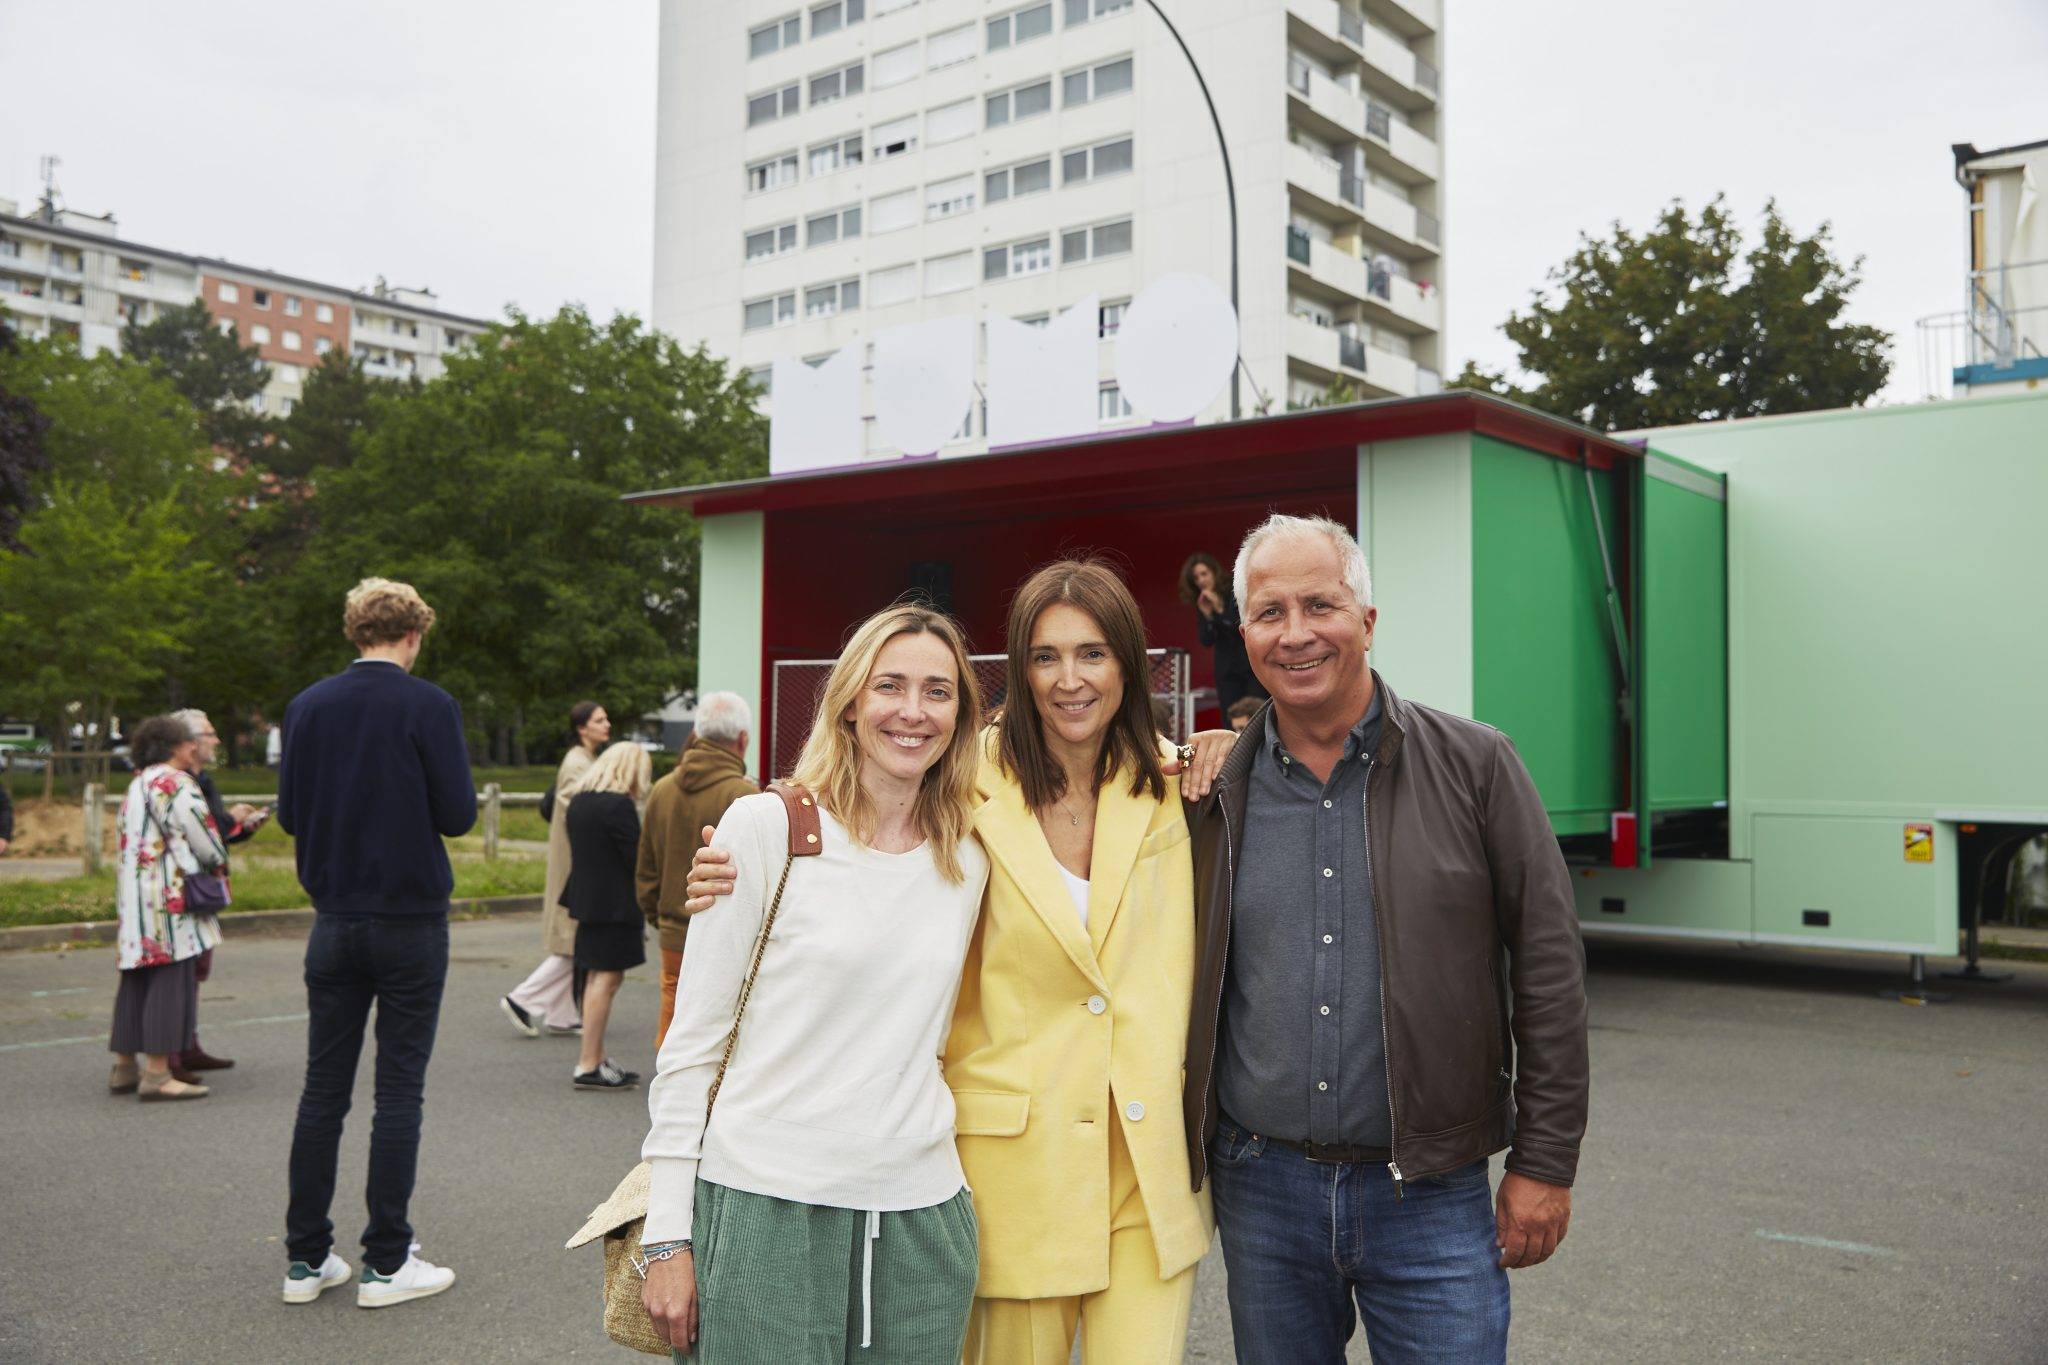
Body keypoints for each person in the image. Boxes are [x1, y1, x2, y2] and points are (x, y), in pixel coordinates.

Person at [685, 562, 1239, 1363]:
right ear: (1018, 668)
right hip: (1014, 1169)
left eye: (1093, 654)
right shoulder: (962, 777)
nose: (1069, 679)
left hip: (1148, 1177)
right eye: (1046, 656)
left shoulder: (1177, 781)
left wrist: (1229, 737)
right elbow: (849, 809)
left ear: (1128, 662)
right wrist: (745, 847)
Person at [1181, 514, 1590, 1363]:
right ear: (1244, 632)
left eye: (1320, 604)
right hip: (1262, 1188)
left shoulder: (1478, 765)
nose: (1295, 633)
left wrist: (1545, 1162)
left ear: (1367, 620)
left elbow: (1548, 973)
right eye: (1268, 612)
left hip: (1431, 1194)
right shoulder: (1209, 792)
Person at [640, 605, 990, 1361]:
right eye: (889, 684)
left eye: (938, 691)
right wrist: (666, 1234)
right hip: (767, 1202)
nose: (912, 710)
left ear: (962, 715)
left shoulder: (970, 854)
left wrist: (1215, 743)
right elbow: (692, 1044)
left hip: (920, 1213)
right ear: (851, 701)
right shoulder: (765, 829)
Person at [277, 577, 476, 1310]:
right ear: (413, 634)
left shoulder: (306, 707)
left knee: (322, 1089)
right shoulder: (430, 706)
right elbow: (456, 813)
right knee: (398, 1090)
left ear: (353, 631)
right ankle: (387, 1261)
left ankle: (305, 1259)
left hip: (332, 917)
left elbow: (292, 814)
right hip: (410, 916)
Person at [106, 713, 227, 1103]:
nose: (194, 747)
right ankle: (157, 1073)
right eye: (188, 741)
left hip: (136, 896)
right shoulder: (176, 783)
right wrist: (216, 860)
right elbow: (206, 839)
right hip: (171, 899)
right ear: (176, 745)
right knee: (170, 981)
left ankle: (124, 1066)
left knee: (135, 980)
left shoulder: (138, 783)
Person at [636, 691, 755, 1050]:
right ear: (742, 740)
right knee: (720, 1036)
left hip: (673, 929)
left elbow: (646, 871)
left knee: (673, 1025)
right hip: (728, 938)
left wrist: (662, 919)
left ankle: (669, 1098)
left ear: (697, 733)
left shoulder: (661, 789)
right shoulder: (746, 797)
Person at [501, 700, 609, 1038]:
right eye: (599, 720)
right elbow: (576, 812)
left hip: (576, 860)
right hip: (575, 863)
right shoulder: (578, 763)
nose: (607, 724)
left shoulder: (585, 760)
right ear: (582, 728)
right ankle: (522, 998)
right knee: (574, 940)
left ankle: (562, 1014)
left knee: (574, 939)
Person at [167, 708, 266, 1078]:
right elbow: (198, 831)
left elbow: (216, 835)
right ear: (189, 742)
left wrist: (242, 826)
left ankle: (188, 1045)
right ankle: (171, 1056)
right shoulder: (173, 782)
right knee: (179, 968)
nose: (217, 740)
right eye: (209, 734)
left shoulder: (203, 779)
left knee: (198, 966)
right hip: (181, 885)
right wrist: (230, 819)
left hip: (205, 882)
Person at [559, 740, 654, 1089]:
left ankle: (595, 1056)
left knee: (594, 978)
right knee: (606, 980)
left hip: (586, 902)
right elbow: (636, 859)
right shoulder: (618, 807)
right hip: (615, 905)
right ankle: (587, 1062)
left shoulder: (580, 802)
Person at [1178, 551, 1265, 715]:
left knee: (1256, 712)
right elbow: (1206, 640)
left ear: (1214, 572)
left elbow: (1240, 628)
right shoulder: (1202, 602)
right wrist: (1208, 615)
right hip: (1226, 671)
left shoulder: (1232, 593)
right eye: (1196, 578)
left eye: (1204, 574)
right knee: (1230, 716)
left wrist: (1219, 609)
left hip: (1249, 666)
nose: (1201, 580)